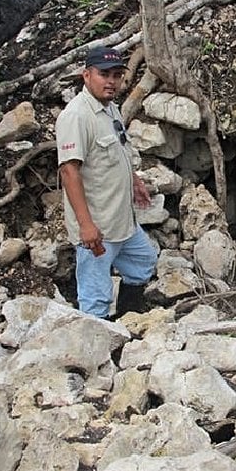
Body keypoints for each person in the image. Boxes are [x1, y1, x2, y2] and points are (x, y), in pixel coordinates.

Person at [55, 45, 158, 319]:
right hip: (98, 226)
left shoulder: (110, 108)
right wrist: (86, 225)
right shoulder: (76, 116)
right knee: (96, 295)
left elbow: (119, 149)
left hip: (122, 219)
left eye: (116, 75)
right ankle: (99, 340)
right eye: (104, 74)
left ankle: (129, 321)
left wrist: (134, 181)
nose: (111, 81)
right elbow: (69, 171)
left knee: (143, 261)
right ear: (87, 75)